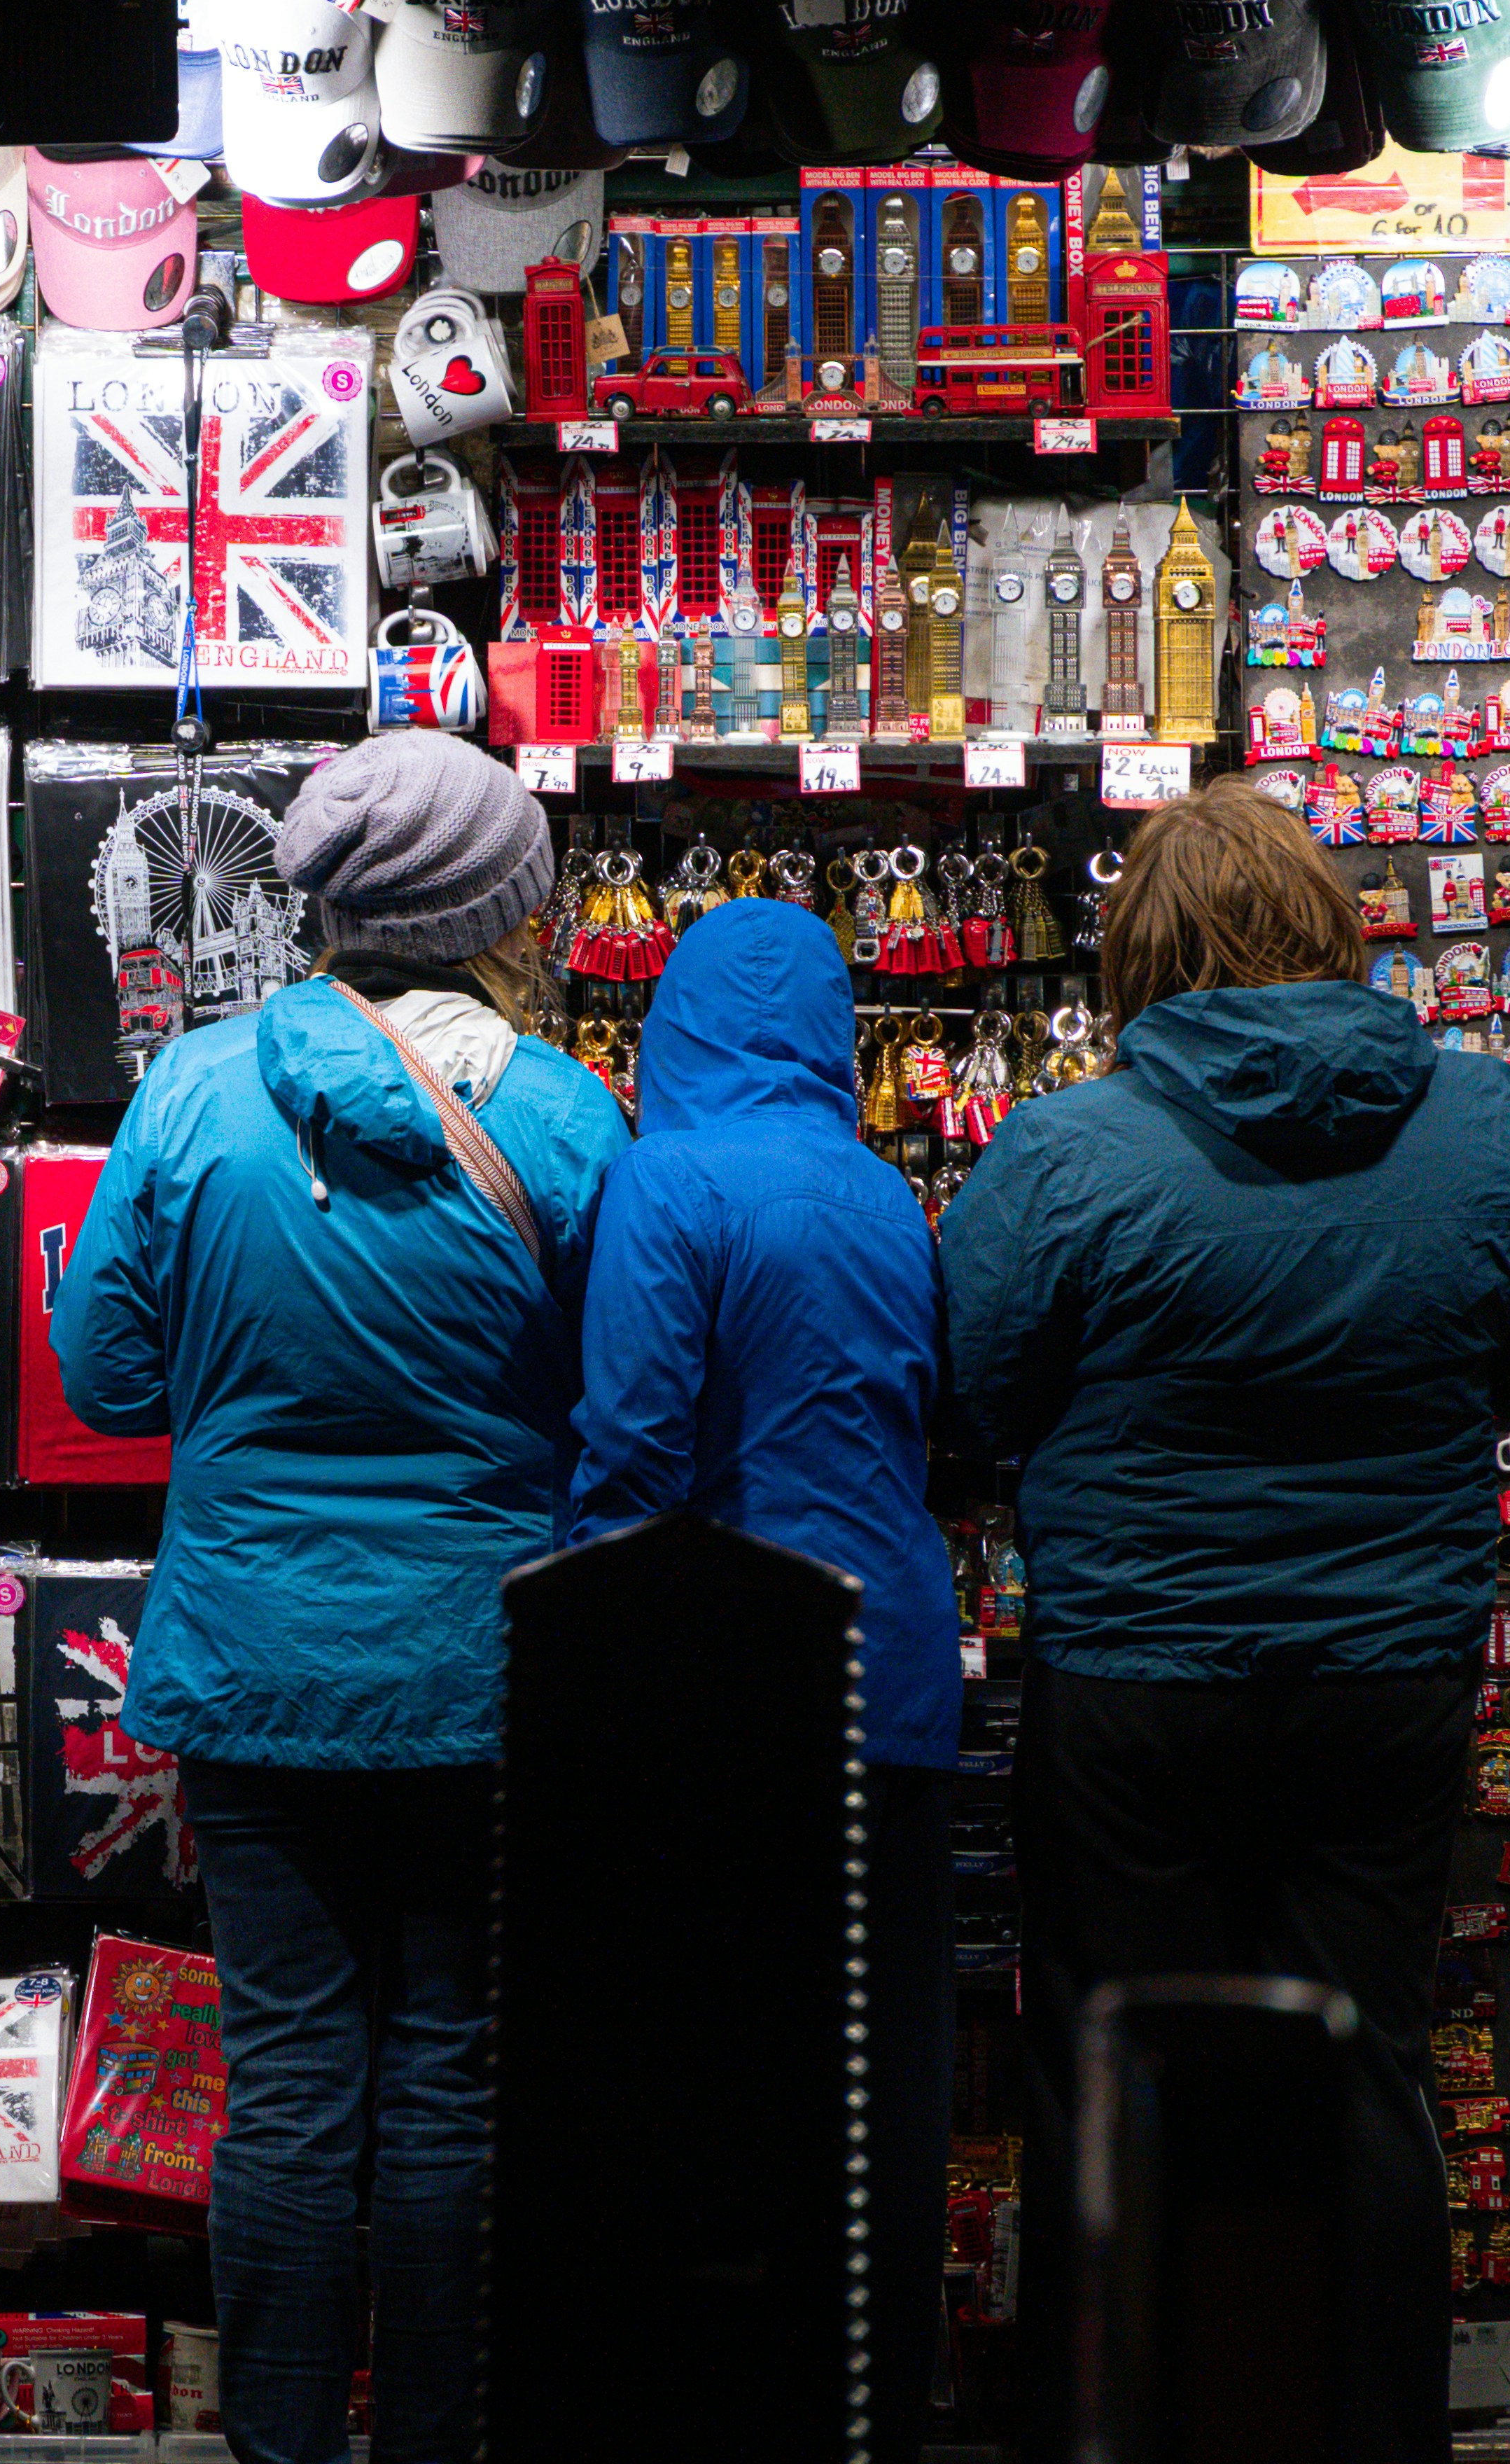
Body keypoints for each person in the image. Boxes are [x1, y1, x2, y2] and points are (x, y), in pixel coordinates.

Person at [938, 782, 1510, 2464]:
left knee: (1120, 2068)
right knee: (1365, 2065)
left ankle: (1125, 2430)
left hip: (1140, 1676)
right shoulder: (1482, 1118)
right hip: (1389, 1670)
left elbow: (978, 1393)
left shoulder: (1069, 1148)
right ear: (1331, 924)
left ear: (1139, 954)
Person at [51, 730, 626, 2464]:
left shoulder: (191, 1093)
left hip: (253, 1665)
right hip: (479, 1673)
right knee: (449, 2078)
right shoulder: (565, 1117)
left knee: (290, 2088)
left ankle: (283, 2448)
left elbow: (105, 1378)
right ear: (496, 916)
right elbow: (622, 1399)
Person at [556, 893, 958, 2464]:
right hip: (897, 1682)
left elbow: (632, 1451)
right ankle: (877, 2417)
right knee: (884, 2097)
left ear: (675, 1028)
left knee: (711, 2092)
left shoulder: (669, 1180)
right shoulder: (886, 1194)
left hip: (733, 1689)